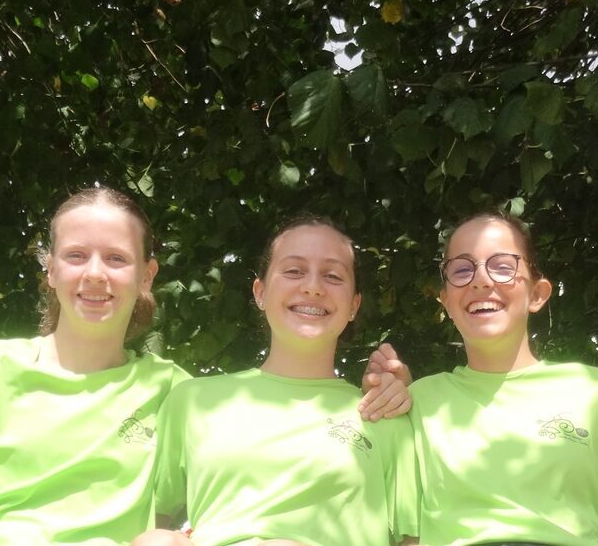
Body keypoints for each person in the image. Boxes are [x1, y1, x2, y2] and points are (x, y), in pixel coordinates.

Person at [134, 217, 418, 546]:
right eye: (294, 271)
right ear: (260, 292)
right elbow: (147, 521)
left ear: (354, 305)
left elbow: (413, 540)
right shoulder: (193, 400)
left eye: (333, 275)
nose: (313, 287)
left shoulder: (382, 412)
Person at [406, 213, 598, 545]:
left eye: (502, 266)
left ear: (537, 294)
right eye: (462, 269)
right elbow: (408, 538)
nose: (481, 280)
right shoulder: (417, 401)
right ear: (446, 301)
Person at [0, 187, 189, 545]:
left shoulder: (175, 391)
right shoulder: (0, 368)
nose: (96, 273)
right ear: (51, 270)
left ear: (147, 275)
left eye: (116, 258)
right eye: (76, 255)